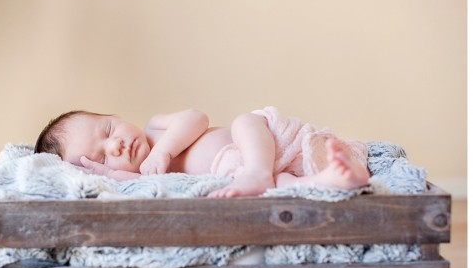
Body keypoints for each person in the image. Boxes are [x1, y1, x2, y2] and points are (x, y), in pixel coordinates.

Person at [34, 106, 370, 197]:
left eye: (108, 131)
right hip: (237, 174)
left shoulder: (154, 128)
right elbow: (122, 182)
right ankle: (330, 181)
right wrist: (108, 173)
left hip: (258, 146)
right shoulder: (136, 180)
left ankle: (259, 170)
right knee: (279, 187)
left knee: (246, 120)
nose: (116, 145)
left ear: (115, 116)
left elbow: (197, 117)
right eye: (103, 157)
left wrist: (163, 150)